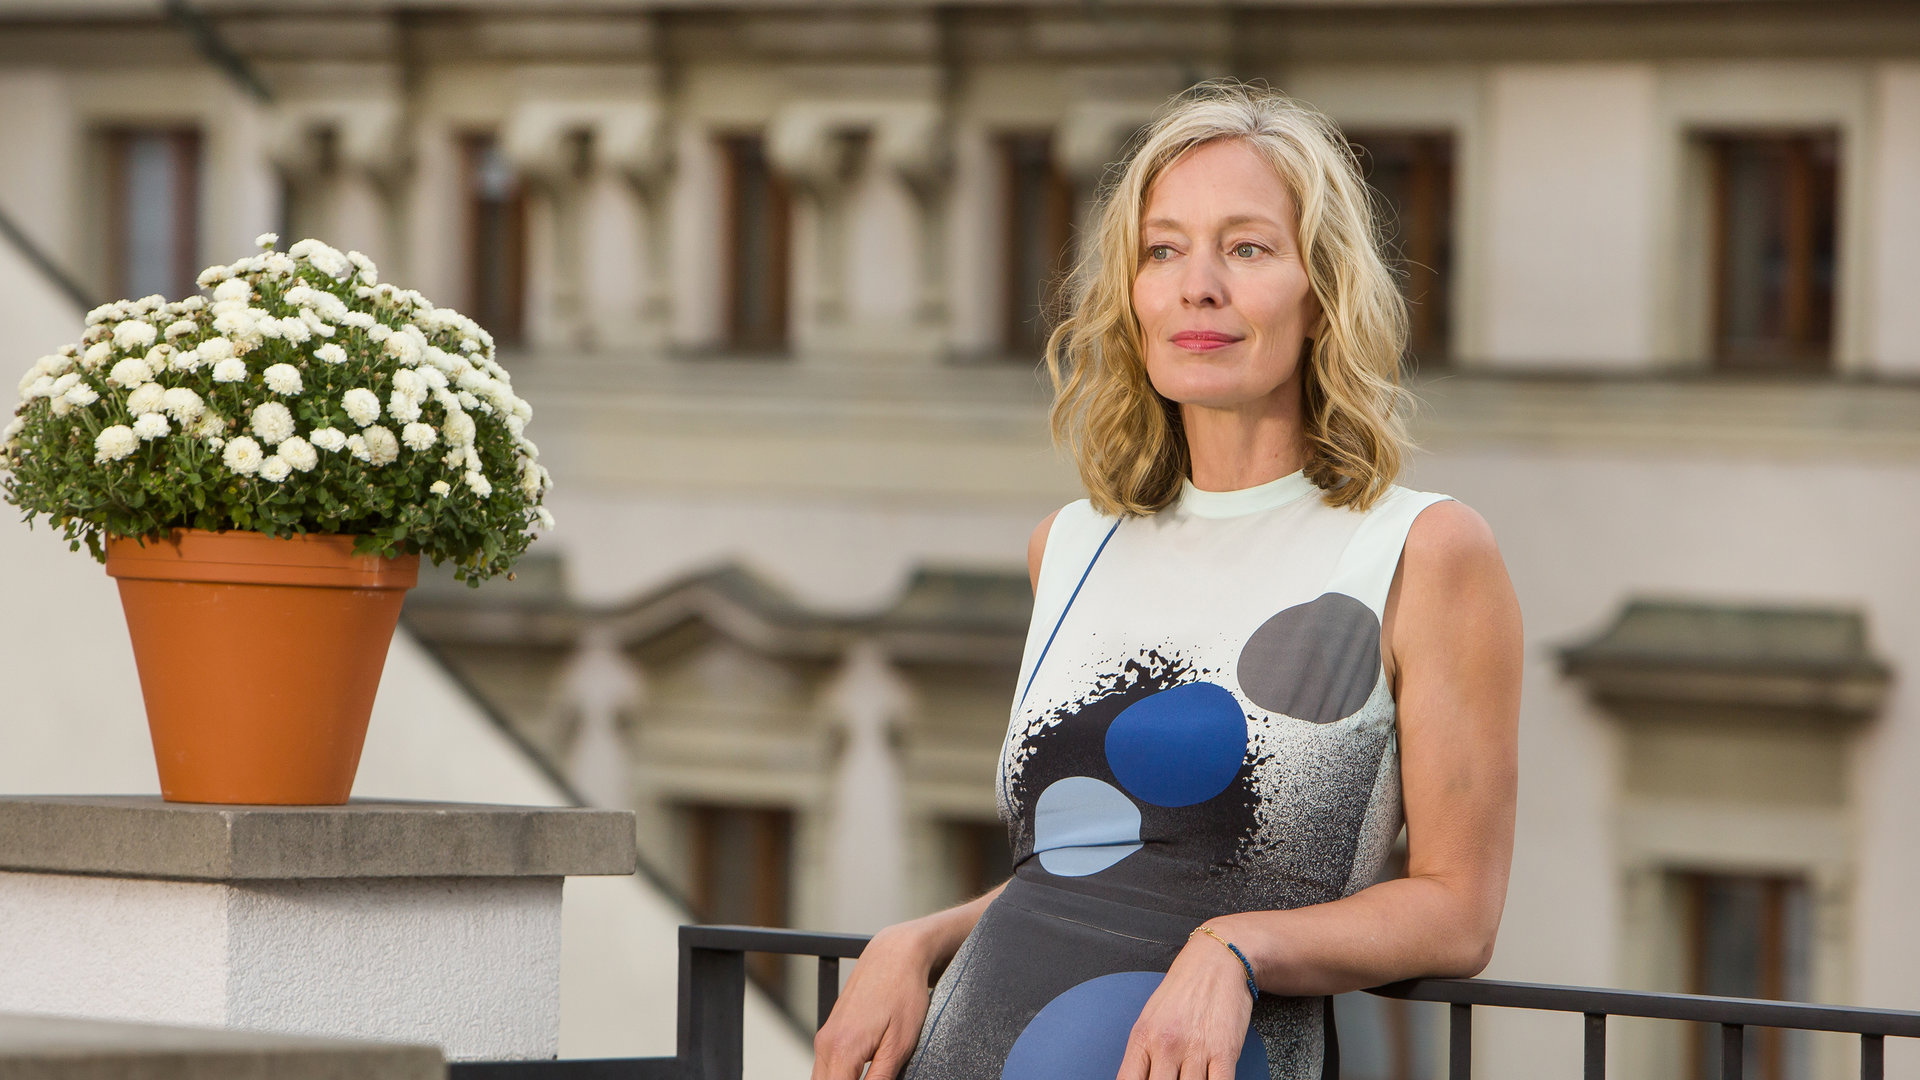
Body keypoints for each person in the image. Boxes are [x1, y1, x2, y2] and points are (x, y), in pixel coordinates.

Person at [811, 78, 1522, 1080]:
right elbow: (1088, 875)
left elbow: (1458, 911)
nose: (1199, 286)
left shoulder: (1423, 551)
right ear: (1132, 293)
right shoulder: (1070, 543)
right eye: (1164, 249)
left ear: (1321, 296)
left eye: (1247, 248)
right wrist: (917, 941)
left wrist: (1238, 946)